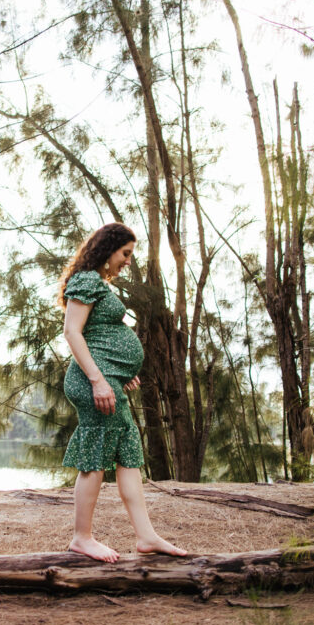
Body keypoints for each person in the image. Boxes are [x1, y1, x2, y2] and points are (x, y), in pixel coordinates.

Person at [60, 223, 187, 563]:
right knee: (96, 456)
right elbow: (73, 332)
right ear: (108, 249)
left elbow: (100, 332)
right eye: (126, 254)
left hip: (108, 377)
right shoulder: (86, 280)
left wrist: (118, 371)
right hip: (91, 382)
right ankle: (81, 537)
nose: (128, 261)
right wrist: (99, 379)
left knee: (127, 455)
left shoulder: (98, 284)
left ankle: (146, 535)